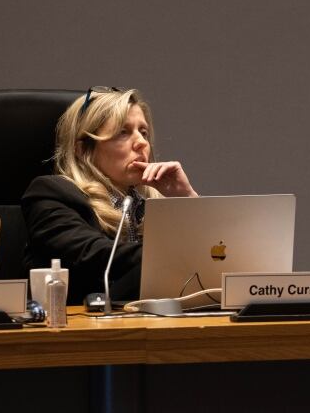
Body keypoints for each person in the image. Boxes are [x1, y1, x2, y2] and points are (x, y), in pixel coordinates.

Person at [22, 87, 198, 303]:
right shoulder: (50, 194)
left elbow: (217, 257)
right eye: (123, 132)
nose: (142, 143)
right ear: (84, 150)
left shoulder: (153, 204)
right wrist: (180, 255)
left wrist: (186, 201)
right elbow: (94, 255)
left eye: (143, 132)